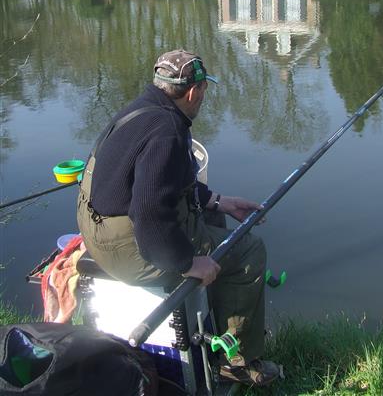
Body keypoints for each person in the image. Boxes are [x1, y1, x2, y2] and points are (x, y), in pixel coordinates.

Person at [77, 49, 280, 387]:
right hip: (131, 251)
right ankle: (238, 363)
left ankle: (217, 329)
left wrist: (219, 202)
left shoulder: (139, 111)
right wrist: (187, 262)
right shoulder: (168, 132)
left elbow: (165, 183)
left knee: (214, 224)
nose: (203, 97)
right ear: (193, 91)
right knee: (247, 251)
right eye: (204, 90)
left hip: (98, 235)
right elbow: (148, 213)